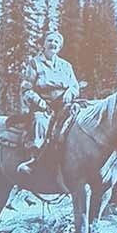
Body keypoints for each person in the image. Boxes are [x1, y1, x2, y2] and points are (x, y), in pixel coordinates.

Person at [15, 30, 81, 178]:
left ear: (60, 47)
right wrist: (39, 102)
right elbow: (26, 89)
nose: (53, 44)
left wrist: (70, 93)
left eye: (56, 42)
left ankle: (77, 161)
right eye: (50, 41)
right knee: (41, 122)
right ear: (44, 44)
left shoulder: (66, 66)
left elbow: (75, 86)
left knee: (80, 124)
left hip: (65, 105)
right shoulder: (34, 63)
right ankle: (34, 159)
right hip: (43, 106)